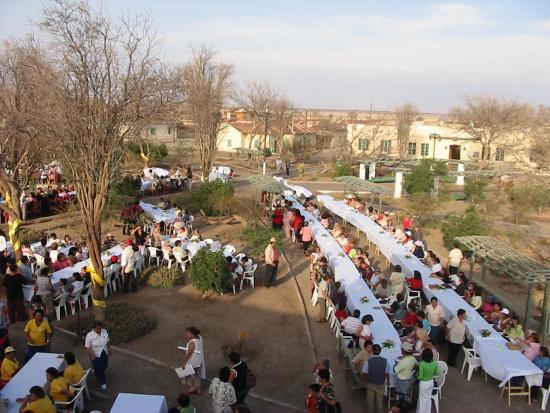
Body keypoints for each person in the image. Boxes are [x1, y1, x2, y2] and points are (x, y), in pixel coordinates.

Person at [362, 344, 390, 413]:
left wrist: (365, 380)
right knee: (379, 401)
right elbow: (387, 373)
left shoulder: (368, 361)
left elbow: (365, 373)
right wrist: (388, 381)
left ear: (372, 351)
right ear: (380, 351)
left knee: (370, 401)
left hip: (371, 383)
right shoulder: (385, 361)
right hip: (381, 383)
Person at [85, 320, 110, 390]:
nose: (99, 330)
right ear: (94, 328)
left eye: (100, 328)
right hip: (95, 354)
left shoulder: (104, 331)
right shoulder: (89, 335)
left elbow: (107, 340)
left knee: (105, 366)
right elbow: (87, 346)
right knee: (100, 369)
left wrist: (109, 348)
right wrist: (92, 354)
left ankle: (95, 370)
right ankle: (102, 381)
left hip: (104, 352)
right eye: (98, 329)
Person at [183, 326, 205, 394]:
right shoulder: (200, 339)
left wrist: (184, 363)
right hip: (199, 362)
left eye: (188, 333)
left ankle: (192, 388)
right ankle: (198, 389)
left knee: (187, 374)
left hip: (192, 362)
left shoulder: (192, 342)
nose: (187, 334)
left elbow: (189, 353)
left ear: (192, 334)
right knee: (197, 375)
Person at [417, 348, 438, 413]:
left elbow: (421, 376)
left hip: (424, 383)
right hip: (431, 382)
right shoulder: (435, 363)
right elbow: (436, 373)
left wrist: (417, 376)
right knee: (428, 398)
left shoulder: (422, 364)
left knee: (422, 400)